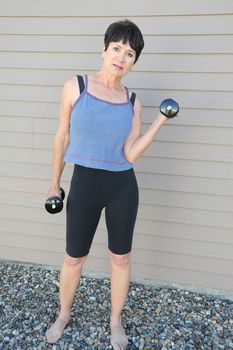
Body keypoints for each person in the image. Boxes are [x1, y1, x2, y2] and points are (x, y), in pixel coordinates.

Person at [45, 19, 176, 349]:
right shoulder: (76, 86)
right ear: (104, 50)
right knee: (74, 257)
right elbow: (62, 137)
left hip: (121, 187)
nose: (121, 56)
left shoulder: (134, 102)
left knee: (121, 258)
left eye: (129, 53)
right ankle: (63, 314)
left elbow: (130, 154)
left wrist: (159, 121)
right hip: (84, 184)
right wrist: (54, 184)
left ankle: (115, 320)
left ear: (134, 61)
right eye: (116, 48)